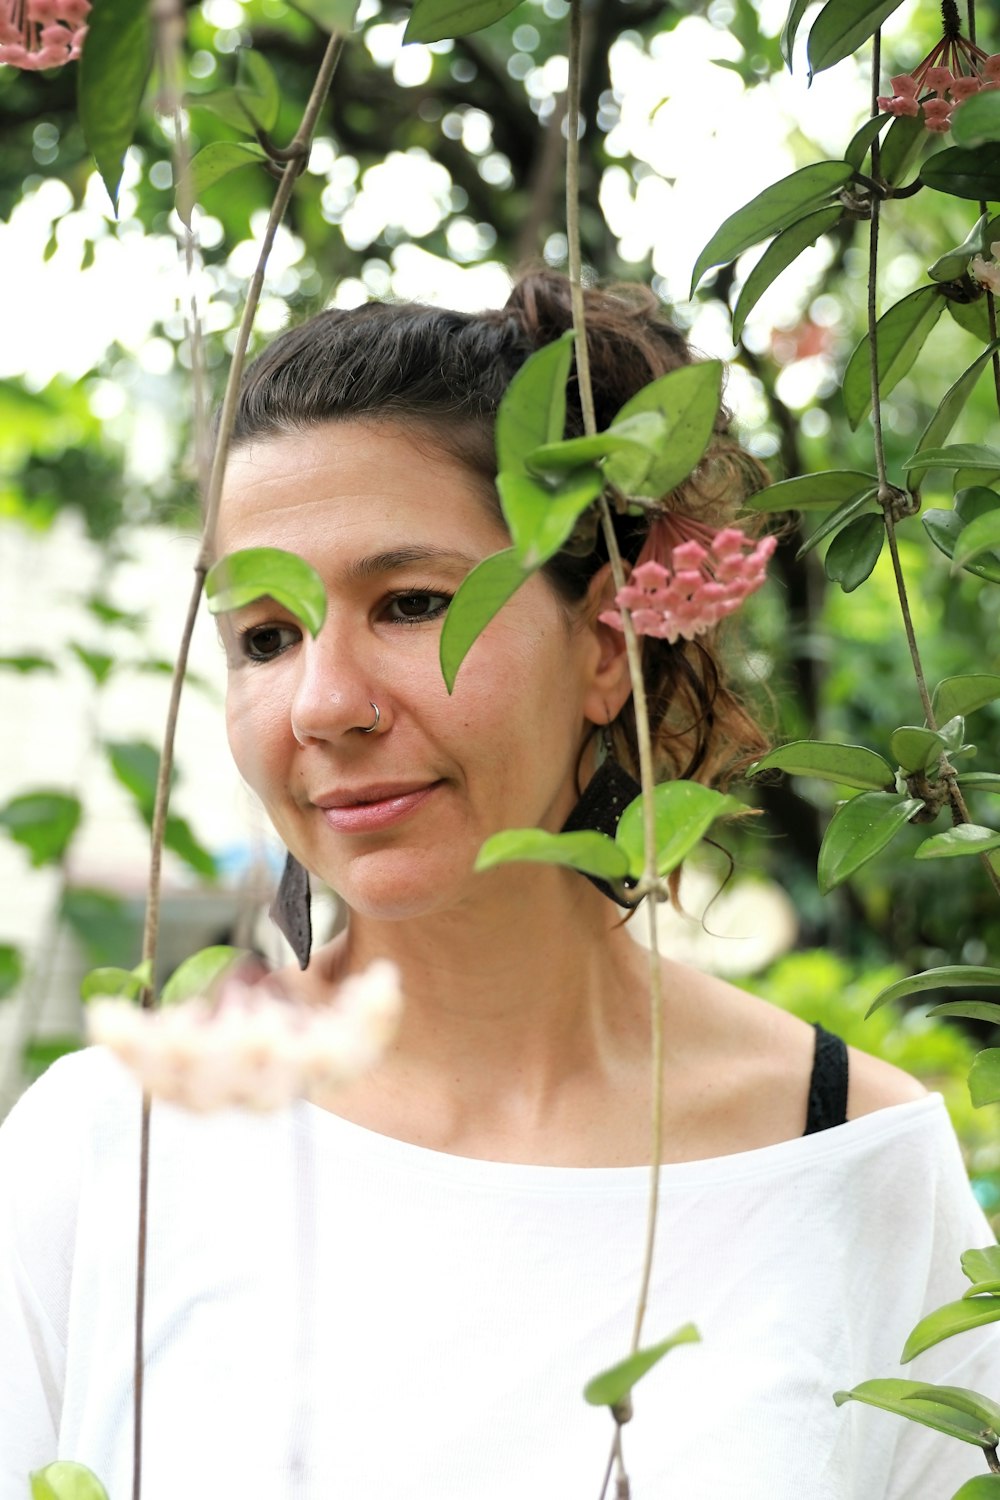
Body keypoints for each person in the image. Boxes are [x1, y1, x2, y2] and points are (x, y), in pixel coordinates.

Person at [0, 271, 997, 1500]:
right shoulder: (108, 1146)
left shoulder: (850, 1155)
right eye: (266, 634)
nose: (322, 704)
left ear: (603, 646)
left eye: (412, 603)